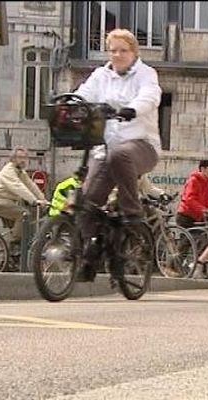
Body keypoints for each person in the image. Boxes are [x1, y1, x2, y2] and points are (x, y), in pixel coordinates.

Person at [73, 28, 162, 281]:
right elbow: (84, 94)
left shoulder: (146, 74)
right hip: (105, 148)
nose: (118, 55)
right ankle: (91, 253)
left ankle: (132, 213)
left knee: (120, 155)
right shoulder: (100, 75)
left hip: (141, 145)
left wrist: (132, 109)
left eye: (123, 50)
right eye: (113, 50)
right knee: (87, 202)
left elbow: (150, 96)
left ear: (134, 52)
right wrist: (70, 103)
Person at [0, 147, 48, 248]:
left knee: (22, 228)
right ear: (13, 158)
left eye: (25, 157)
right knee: (24, 215)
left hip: (9, 202)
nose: (23, 160)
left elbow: (31, 186)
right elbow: (18, 187)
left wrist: (44, 200)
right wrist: (33, 200)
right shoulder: (9, 171)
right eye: (20, 157)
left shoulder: (21, 172)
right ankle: (15, 245)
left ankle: (11, 256)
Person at [176, 160, 208, 229]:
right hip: (186, 216)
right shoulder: (193, 180)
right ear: (202, 169)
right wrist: (204, 209)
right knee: (189, 239)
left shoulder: (206, 182)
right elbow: (190, 200)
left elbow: (207, 201)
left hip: (197, 216)